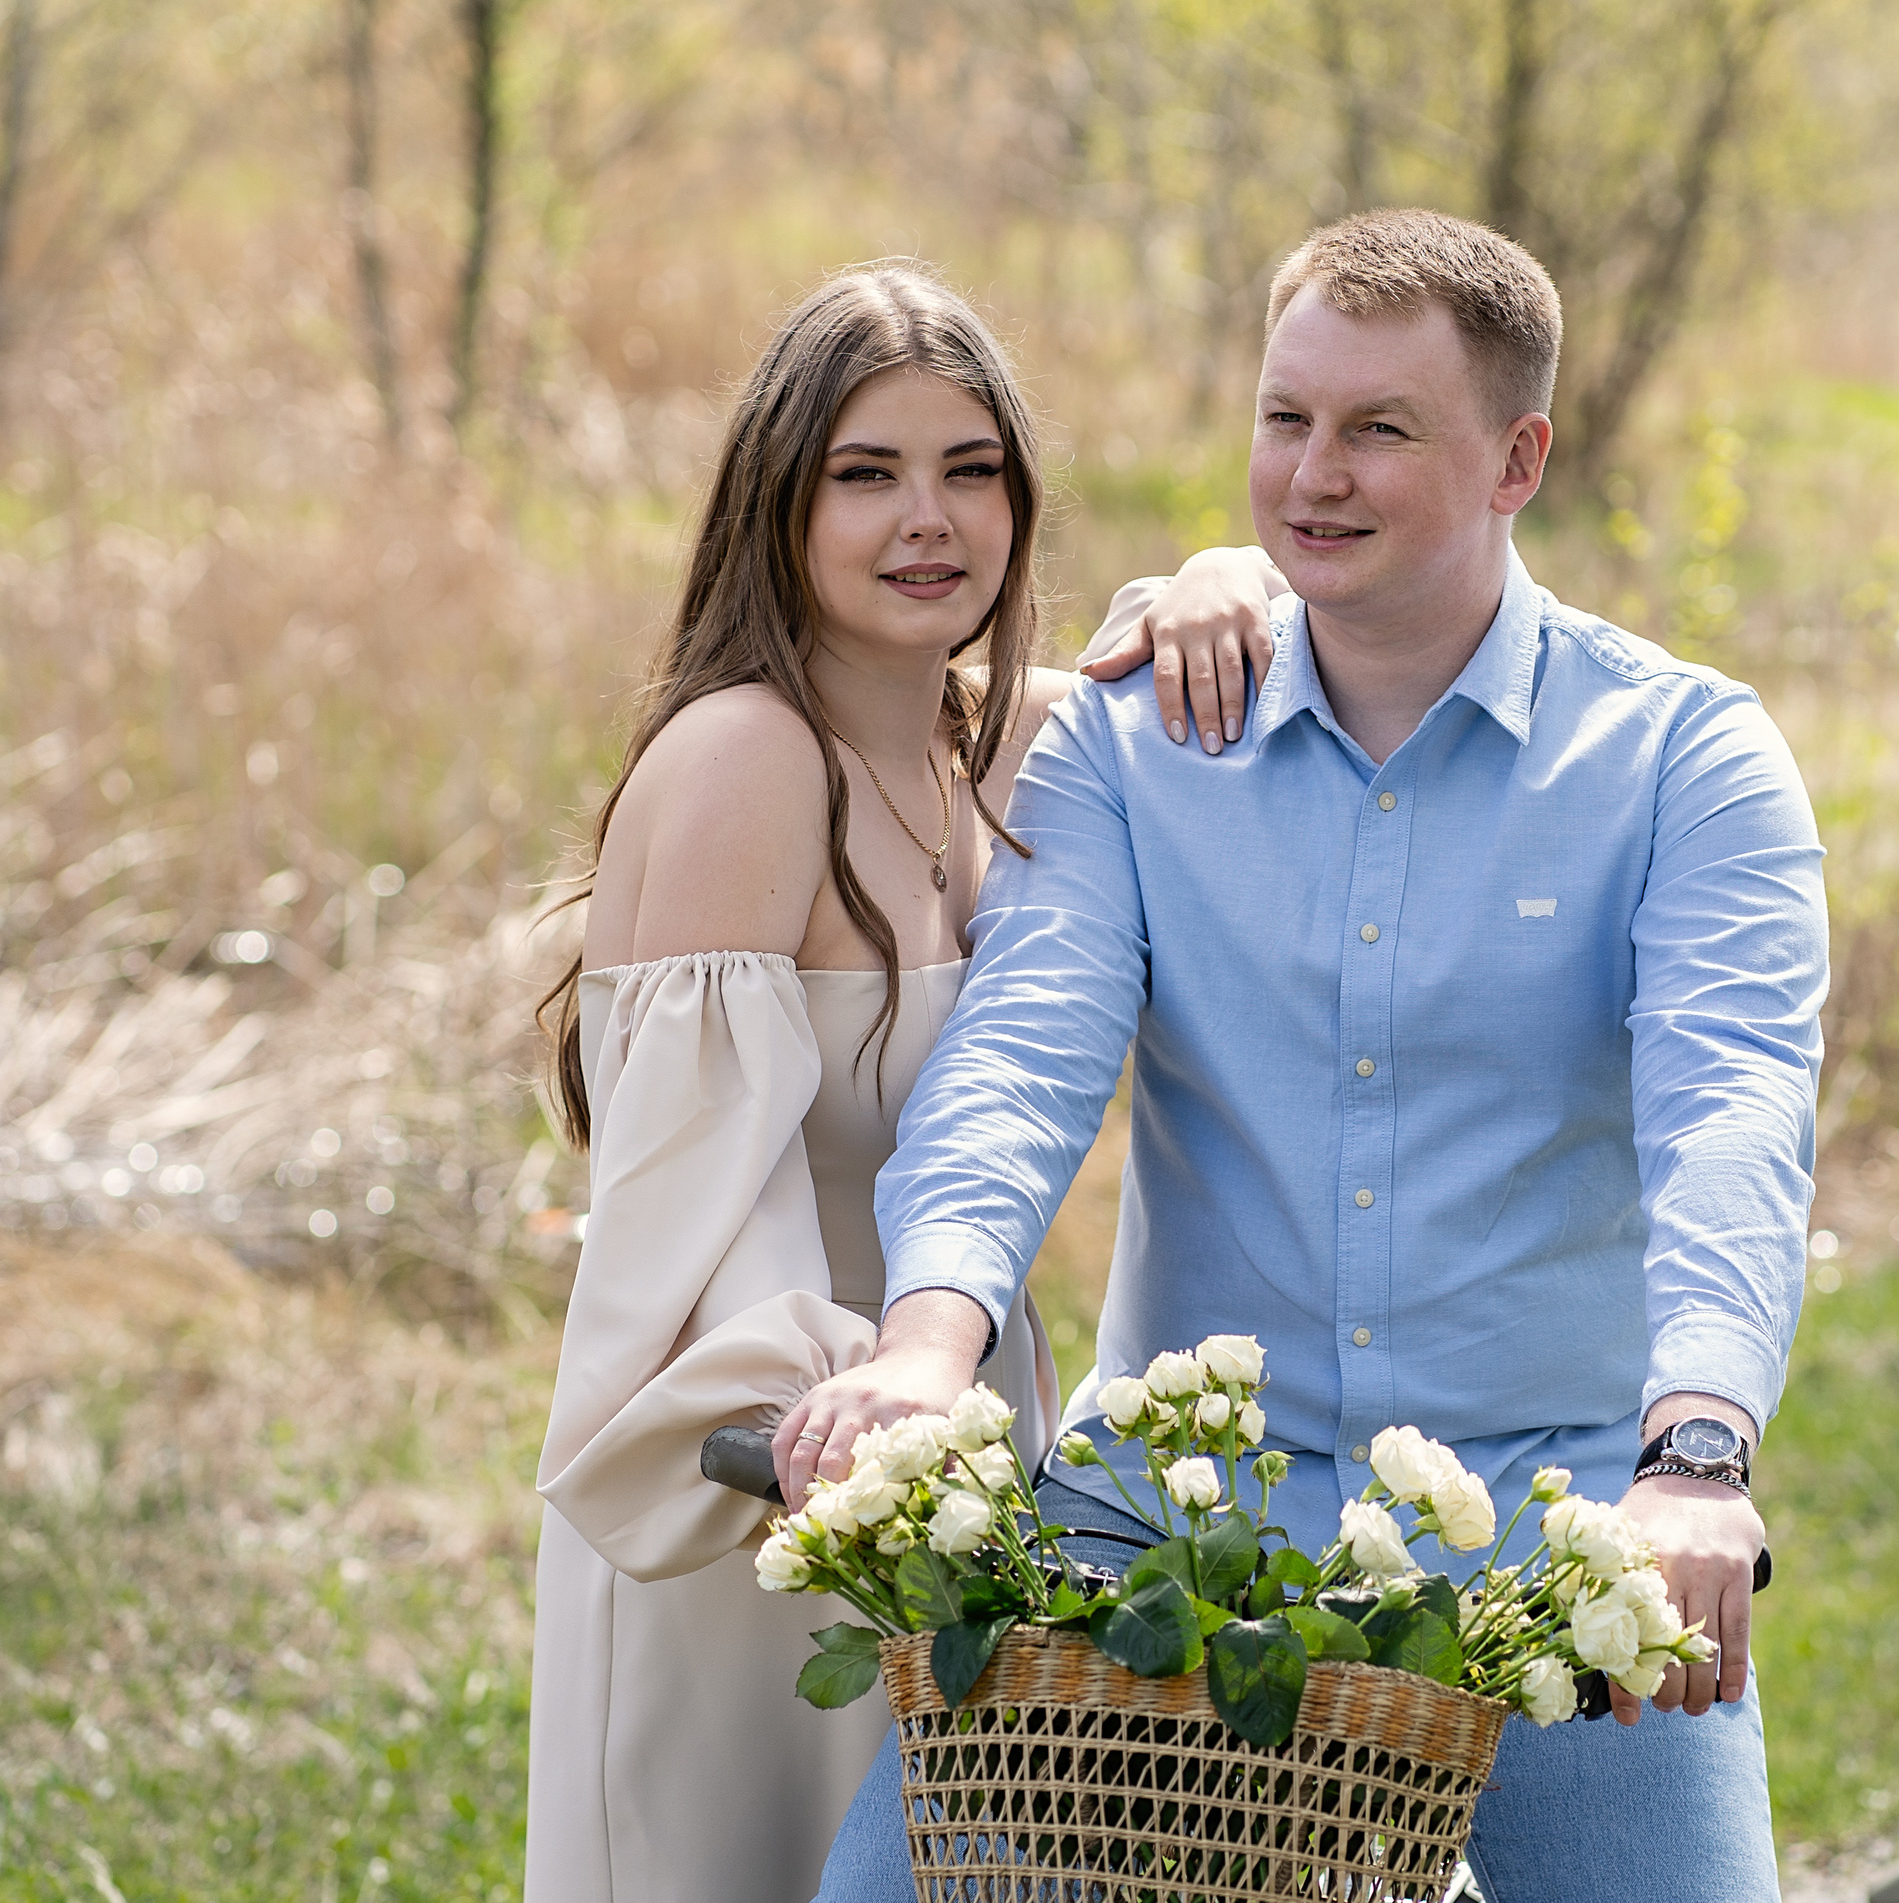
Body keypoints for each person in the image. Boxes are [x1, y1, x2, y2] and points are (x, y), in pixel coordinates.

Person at [791, 210, 1830, 1903]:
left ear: (1518, 460)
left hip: (1559, 1531)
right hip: (1174, 1517)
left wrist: (1695, 1460)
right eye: (1287, 419)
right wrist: (926, 1349)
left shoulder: (1683, 759)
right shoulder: (1133, 742)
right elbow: (1022, 1060)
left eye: (1378, 430)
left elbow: (1733, 1116)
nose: (1312, 477)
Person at [523, 259, 1286, 1903]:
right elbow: (698, 1215)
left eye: (970, 470)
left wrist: (1220, 574)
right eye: (866, 474)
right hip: (761, 1467)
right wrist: (868, 1441)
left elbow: (1223, 654)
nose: (926, 519)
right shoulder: (746, 758)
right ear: (780, 502)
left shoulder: (1007, 745)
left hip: (961, 1452)